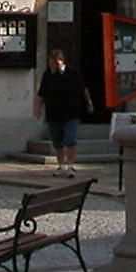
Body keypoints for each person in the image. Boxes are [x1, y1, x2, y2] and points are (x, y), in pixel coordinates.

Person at [35, 48, 92, 176]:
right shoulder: (48, 75)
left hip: (71, 112)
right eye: (52, 61)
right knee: (57, 141)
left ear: (62, 61)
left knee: (70, 138)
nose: (54, 64)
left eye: (57, 61)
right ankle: (61, 165)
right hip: (53, 113)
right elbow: (41, 94)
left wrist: (89, 103)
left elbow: (84, 89)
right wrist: (37, 109)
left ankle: (70, 165)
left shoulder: (72, 73)